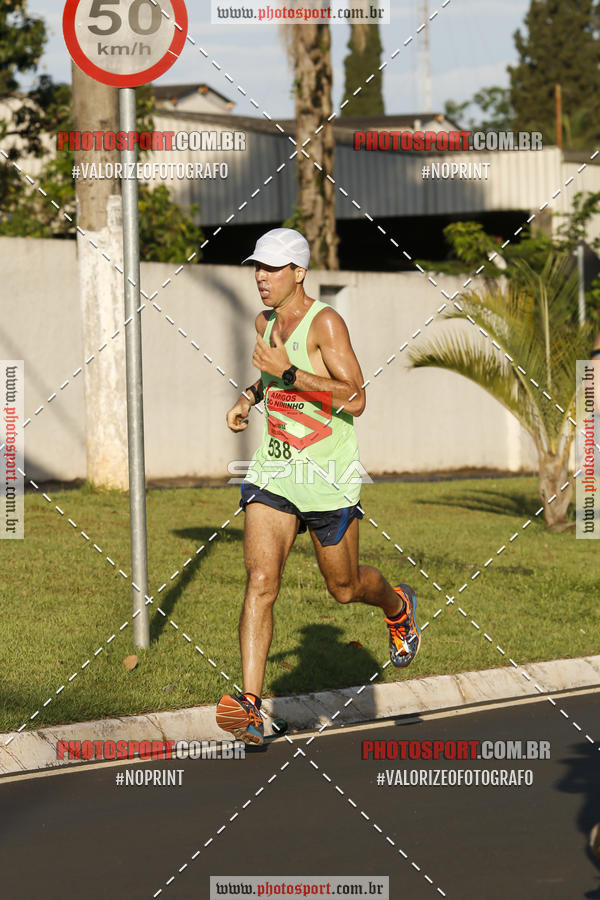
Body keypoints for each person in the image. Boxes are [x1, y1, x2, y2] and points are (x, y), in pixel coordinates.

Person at [215, 228, 420, 745]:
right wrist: (250, 397)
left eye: (272, 268)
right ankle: (251, 706)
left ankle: (397, 604)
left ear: (299, 272)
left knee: (344, 588)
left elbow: (355, 399)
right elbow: (270, 379)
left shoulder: (326, 322)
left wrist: (289, 372)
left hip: (327, 475)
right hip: (276, 471)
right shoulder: (264, 322)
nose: (260, 277)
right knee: (261, 580)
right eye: (256, 267)